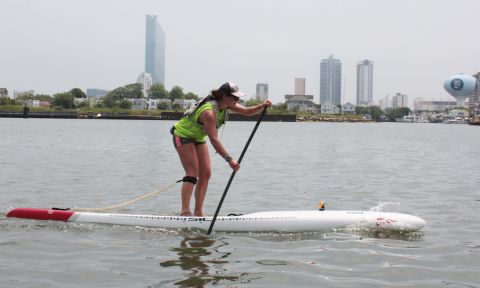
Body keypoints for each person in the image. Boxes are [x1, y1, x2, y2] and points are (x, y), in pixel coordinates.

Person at [171, 82, 272, 216]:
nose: (237, 100)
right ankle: (185, 212)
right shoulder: (209, 112)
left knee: (205, 174)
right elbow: (214, 139)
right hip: (183, 135)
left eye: (238, 98)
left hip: (198, 138)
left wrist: (262, 106)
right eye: (235, 97)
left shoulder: (226, 105)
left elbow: (247, 112)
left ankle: (198, 212)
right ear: (224, 96)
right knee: (192, 173)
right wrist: (229, 160)